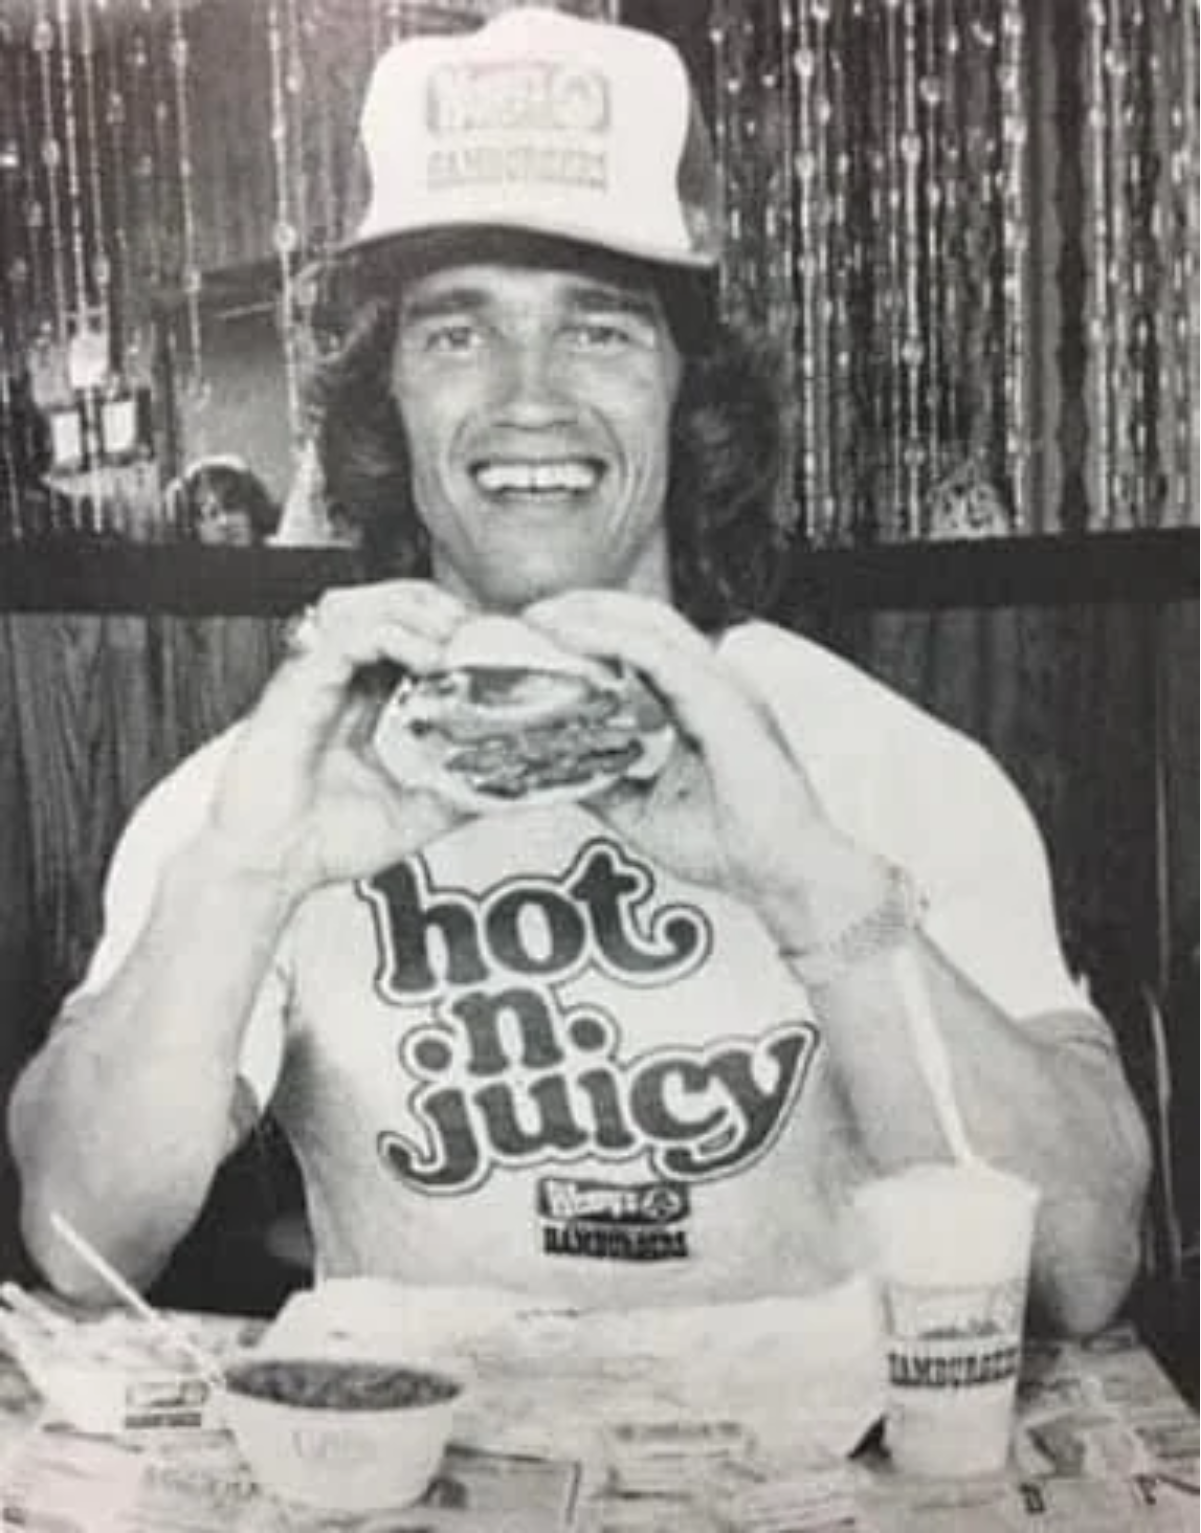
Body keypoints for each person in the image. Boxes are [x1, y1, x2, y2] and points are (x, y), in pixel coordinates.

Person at [9, 8, 1148, 1335]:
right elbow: (83, 1245)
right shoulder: (261, 790)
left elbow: (1080, 1265)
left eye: (599, 329)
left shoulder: (887, 760)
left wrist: (817, 888)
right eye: (454, 335)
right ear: (386, 405)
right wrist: (249, 879)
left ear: (688, 386)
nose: (527, 397)